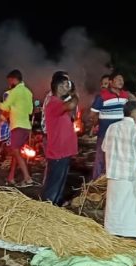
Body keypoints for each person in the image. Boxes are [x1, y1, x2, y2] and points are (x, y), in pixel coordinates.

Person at [103, 101, 136, 238]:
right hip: (131, 175)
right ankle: (132, 233)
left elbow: (105, 148)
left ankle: (113, 230)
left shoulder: (111, 128)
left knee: (115, 206)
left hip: (114, 174)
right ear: (134, 112)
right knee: (131, 207)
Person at [41, 74, 79, 205]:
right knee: (54, 183)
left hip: (64, 150)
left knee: (60, 181)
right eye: (63, 85)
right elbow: (72, 104)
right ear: (56, 87)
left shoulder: (60, 101)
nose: (65, 87)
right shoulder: (53, 102)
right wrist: (74, 93)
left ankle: (55, 203)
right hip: (58, 150)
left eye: (66, 84)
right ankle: (47, 208)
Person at [90, 72, 132, 179]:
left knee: (117, 157)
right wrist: (95, 125)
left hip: (120, 134)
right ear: (111, 82)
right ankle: (96, 182)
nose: (121, 82)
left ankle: (112, 179)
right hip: (105, 133)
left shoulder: (125, 96)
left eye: (122, 80)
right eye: (118, 79)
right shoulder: (101, 96)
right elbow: (93, 114)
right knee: (101, 158)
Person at [0, 69, 35, 187]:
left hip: (17, 126)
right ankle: (11, 177)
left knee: (15, 151)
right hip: (26, 126)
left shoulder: (14, 92)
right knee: (16, 151)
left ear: (13, 79)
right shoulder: (28, 92)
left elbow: (5, 107)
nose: (9, 84)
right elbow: (30, 110)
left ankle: (27, 178)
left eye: (9, 81)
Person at [0, 90, 11, 169]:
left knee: (5, 145)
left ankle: (0, 161)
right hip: (4, 125)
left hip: (10, 125)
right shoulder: (7, 94)